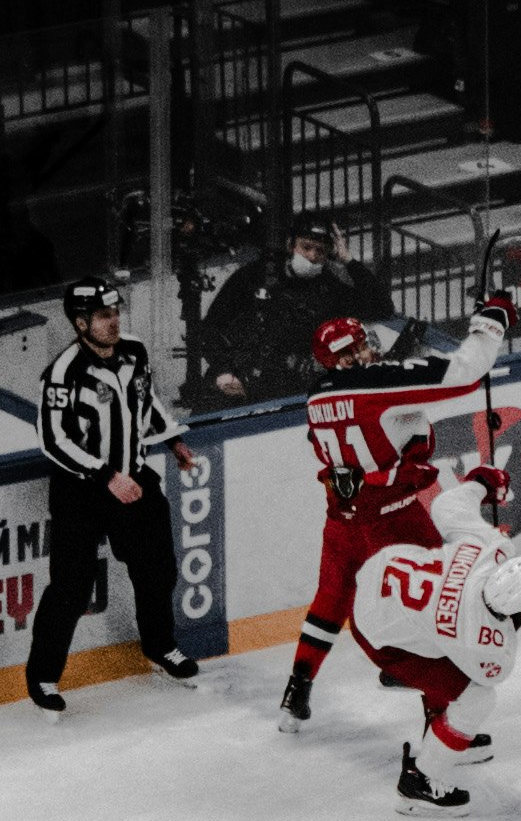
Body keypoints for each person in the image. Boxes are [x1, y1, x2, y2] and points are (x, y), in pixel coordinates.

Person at [279, 293, 513, 733]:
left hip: (344, 518)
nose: (368, 351)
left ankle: (297, 688)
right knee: (433, 610)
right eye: (356, 348)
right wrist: (490, 323)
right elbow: (462, 374)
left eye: (365, 342)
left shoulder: (315, 397)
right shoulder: (372, 384)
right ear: (343, 360)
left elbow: (341, 447)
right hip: (395, 518)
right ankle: (442, 721)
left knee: (332, 598)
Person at [25, 279, 202, 713]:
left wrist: (171, 440)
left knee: (157, 569)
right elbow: (53, 439)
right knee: (70, 588)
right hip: (81, 492)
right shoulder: (64, 371)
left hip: (135, 480)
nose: (114, 321)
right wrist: (105, 475)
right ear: (80, 322)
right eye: (104, 316)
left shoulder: (135, 351)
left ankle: (160, 646)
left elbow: (146, 401)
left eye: (116, 312)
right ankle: (43, 677)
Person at [348, 468, 521, 815]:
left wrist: (483, 484)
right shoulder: (483, 641)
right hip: (376, 633)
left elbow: (447, 505)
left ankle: (441, 733)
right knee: (476, 699)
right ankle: (421, 782)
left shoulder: (488, 548)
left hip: (377, 572)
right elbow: (489, 675)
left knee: (445, 652)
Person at [198, 218, 396, 404]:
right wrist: (223, 371)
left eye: (320, 251)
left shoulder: (329, 289)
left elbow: (382, 307)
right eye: (306, 247)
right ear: (291, 245)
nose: (312, 256)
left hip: (288, 387)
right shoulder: (255, 275)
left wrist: (349, 261)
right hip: (235, 374)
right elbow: (212, 326)